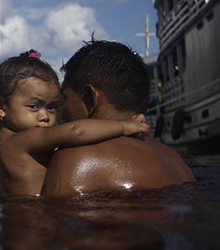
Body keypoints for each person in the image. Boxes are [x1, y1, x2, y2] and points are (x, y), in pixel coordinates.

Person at [0, 50, 149, 196]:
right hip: (36, 219)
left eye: (52, 107)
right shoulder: (27, 139)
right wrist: (124, 126)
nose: (45, 116)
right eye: (34, 106)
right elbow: (76, 131)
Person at [41, 39, 195, 196]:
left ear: (89, 98)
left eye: (65, 99)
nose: (63, 113)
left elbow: (48, 219)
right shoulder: (177, 163)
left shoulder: (76, 159)